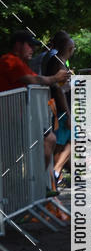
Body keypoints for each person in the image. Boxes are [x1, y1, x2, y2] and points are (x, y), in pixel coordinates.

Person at [0, 30, 69, 169]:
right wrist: (55, 78)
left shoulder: (20, 63)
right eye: (30, 45)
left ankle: (36, 184)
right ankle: (32, 185)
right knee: (13, 158)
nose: (34, 49)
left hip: (17, 118)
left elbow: (38, 80)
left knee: (48, 140)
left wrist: (54, 80)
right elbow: (33, 79)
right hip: (8, 119)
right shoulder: (9, 60)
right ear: (18, 45)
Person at [44, 33, 75, 185]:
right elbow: (59, 90)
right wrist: (68, 114)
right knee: (71, 139)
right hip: (60, 108)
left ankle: (56, 173)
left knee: (62, 143)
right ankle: (56, 172)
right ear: (69, 48)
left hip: (60, 106)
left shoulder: (60, 62)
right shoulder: (58, 63)